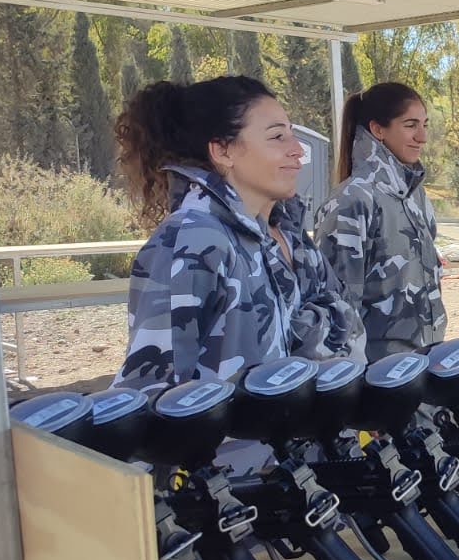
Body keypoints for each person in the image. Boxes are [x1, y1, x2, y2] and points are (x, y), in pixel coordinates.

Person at [114, 76, 353, 395]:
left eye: (292, 135)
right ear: (223, 150)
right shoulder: (190, 240)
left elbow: (340, 318)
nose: (297, 151)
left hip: (292, 441)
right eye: (277, 137)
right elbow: (157, 391)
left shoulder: (280, 232)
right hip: (227, 445)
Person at [314, 82, 445, 364]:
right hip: (378, 376)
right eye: (410, 125)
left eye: (425, 124)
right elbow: (338, 306)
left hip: (423, 366)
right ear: (378, 130)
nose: (422, 136)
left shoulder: (416, 196)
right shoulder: (352, 200)